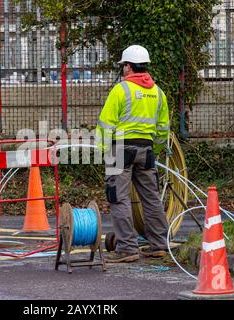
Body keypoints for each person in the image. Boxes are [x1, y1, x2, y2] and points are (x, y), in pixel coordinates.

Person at [96, 45, 170, 263]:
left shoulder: (121, 90)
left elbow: (105, 123)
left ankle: (127, 248)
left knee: (119, 198)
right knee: (151, 198)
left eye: (123, 65)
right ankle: (159, 245)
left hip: (120, 149)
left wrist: (103, 151)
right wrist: (152, 150)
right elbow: (163, 129)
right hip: (146, 150)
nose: (123, 69)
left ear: (128, 66)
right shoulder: (158, 92)